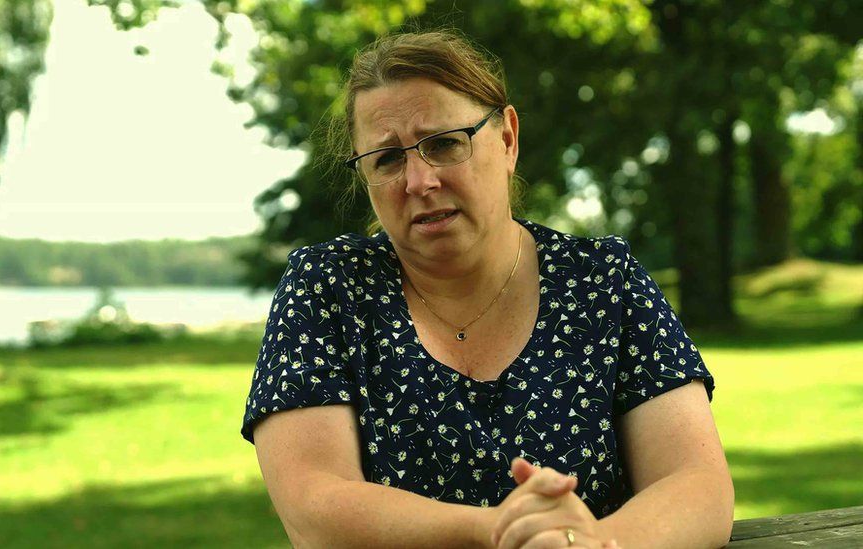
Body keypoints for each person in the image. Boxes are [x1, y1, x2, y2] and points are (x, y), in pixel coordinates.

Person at [241, 30, 734, 549]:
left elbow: (698, 485)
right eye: (387, 159)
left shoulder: (603, 280)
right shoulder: (328, 289)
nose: (418, 180)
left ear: (507, 139)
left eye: (444, 144)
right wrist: (504, 530)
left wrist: (594, 545)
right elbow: (314, 504)